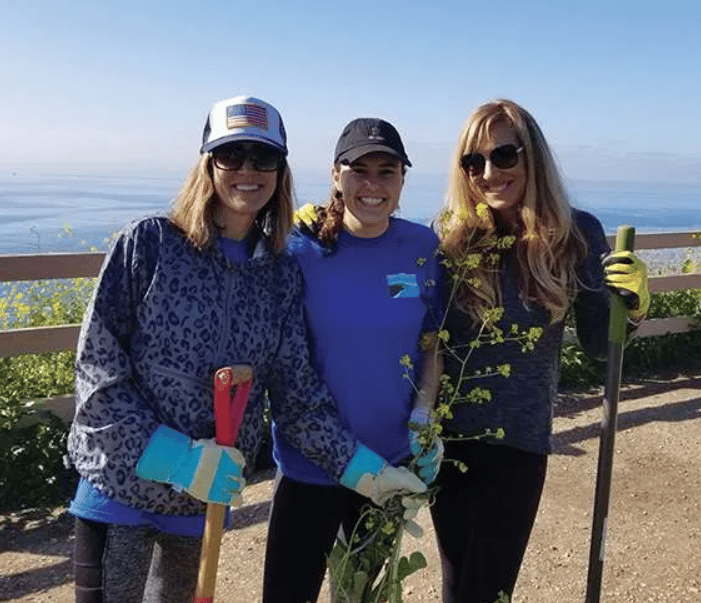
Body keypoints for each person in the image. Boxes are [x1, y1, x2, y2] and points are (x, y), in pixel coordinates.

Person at [66, 97, 426, 603]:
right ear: (207, 164)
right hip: (119, 493)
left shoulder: (278, 274)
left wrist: (369, 474)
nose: (247, 171)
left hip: (198, 511)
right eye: (231, 156)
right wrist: (175, 459)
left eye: (263, 158)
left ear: (281, 171)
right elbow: (97, 372)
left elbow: (299, 401)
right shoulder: (148, 245)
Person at [431, 98, 650, 603]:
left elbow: (599, 344)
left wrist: (632, 308)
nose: (489, 172)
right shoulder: (452, 238)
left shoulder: (576, 234)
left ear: (533, 158)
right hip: (448, 444)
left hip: (518, 443)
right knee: (456, 584)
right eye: (474, 161)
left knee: (486, 590)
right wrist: (328, 224)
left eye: (505, 155)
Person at [262, 117, 445, 603]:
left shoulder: (422, 248)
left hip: (388, 467)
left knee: (364, 597)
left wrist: (424, 415)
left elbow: (432, 342)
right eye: (358, 170)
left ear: (403, 180)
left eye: (386, 171)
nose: (372, 184)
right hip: (310, 466)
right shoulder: (298, 247)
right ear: (335, 175)